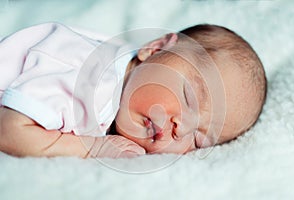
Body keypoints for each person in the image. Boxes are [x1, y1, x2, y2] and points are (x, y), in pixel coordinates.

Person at [0, 22, 266, 158]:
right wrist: (92, 149)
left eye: (198, 140)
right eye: (190, 97)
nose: (182, 129)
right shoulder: (91, 78)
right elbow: (10, 131)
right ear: (156, 48)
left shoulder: (129, 78)